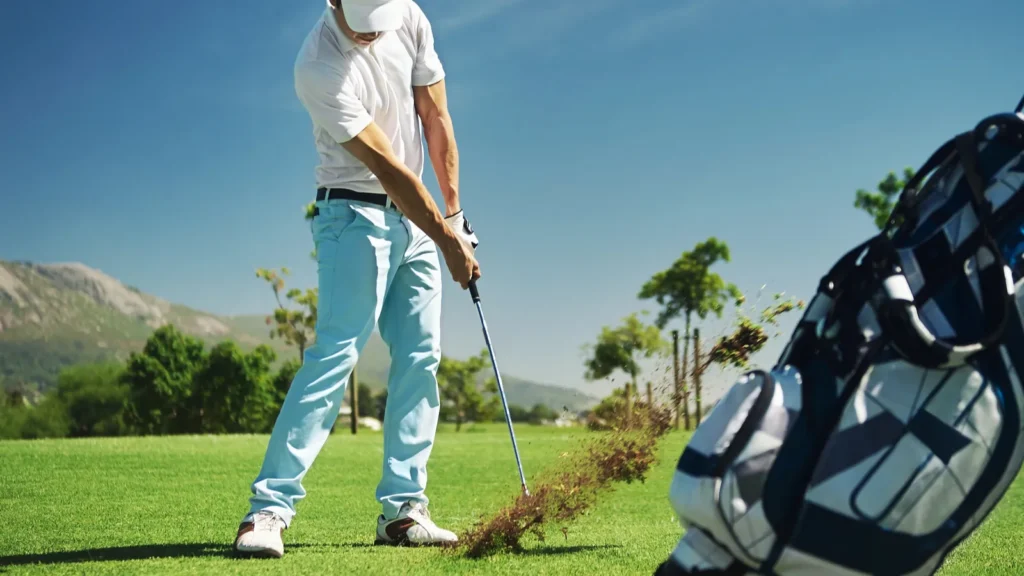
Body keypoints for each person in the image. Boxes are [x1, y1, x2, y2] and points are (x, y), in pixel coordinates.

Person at [233, 0, 480, 557]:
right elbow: (389, 166)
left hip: (417, 220)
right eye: (361, 26)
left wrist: (456, 217)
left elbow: (435, 117)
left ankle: (403, 510)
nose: (372, 37)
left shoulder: (409, 16)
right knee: (336, 353)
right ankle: (267, 511)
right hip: (352, 214)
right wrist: (446, 239)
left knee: (421, 356)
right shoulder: (316, 65)